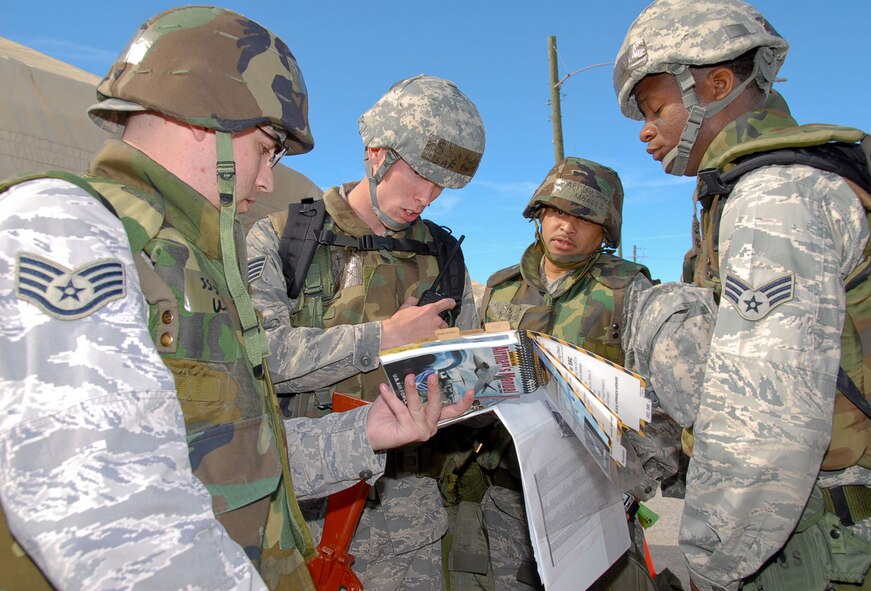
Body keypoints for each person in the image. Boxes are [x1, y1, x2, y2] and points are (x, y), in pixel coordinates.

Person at [0, 7, 471, 590]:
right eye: (269, 148)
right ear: (207, 120)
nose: (269, 180)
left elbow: (235, 454)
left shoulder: (189, 257)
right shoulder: (64, 229)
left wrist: (365, 432)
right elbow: (104, 519)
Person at [614, 0, 871, 589]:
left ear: (718, 84)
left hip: (817, 538)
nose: (646, 131)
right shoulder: (784, 181)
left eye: (655, 109)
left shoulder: (773, 197)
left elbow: (766, 416)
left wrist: (711, 561)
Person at [246, 74, 484, 589]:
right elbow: (259, 358)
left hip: (409, 514)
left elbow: (471, 365)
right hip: (303, 507)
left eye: (441, 184)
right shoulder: (285, 238)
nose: (427, 196)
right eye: (418, 175)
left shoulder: (445, 256)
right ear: (377, 155)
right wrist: (381, 338)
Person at [480, 156, 684, 589]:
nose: (566, 227)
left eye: (583, 218)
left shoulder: (630, 292)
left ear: (605, 230)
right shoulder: (501, 289)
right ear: (539, 214)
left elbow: (660, 401)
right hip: (507, 490)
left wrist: (634, 484)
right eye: (557, 212)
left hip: (592, 493)